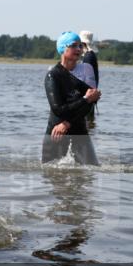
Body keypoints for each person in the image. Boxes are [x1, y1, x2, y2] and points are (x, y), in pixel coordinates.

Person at [42, 31, 101, 165]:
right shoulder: (53, 75)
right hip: (56, 132)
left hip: (79, 130)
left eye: (80, 46)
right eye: (74, 45)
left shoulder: (83, 71)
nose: (79, 49)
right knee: (52, 176)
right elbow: (58, 109)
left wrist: (67, 123)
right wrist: (86, 99)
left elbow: (92, 101)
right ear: (63, 48)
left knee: (92, 172)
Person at [79, 30, 99, 128]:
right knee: (90, 123)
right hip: (92, 94)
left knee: (86, 122)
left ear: (83, 43)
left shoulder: (88, 57)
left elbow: (86, 79)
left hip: (89, 94)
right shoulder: (91, 55)